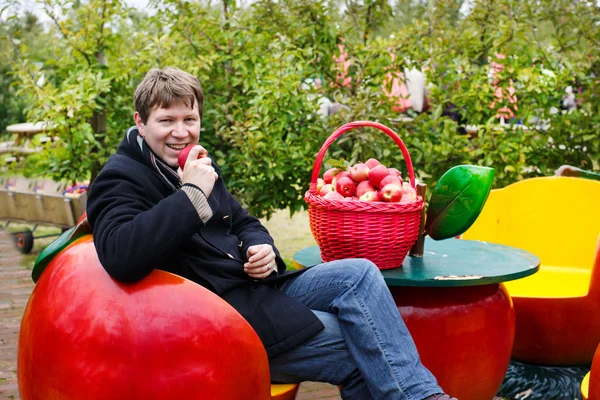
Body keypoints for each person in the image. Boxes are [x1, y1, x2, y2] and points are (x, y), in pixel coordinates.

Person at [86, 67, 457, 400]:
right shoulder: (121, 177)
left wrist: (261, 247)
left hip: (255, 290)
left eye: (190, 118)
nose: (181, 132)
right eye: (167, 120)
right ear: (141, 121)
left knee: (359, 273)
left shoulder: (195, 165)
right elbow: (121, 255)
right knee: (362, 344)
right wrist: (192, 196)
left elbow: (244, 221)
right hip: (217, 322)